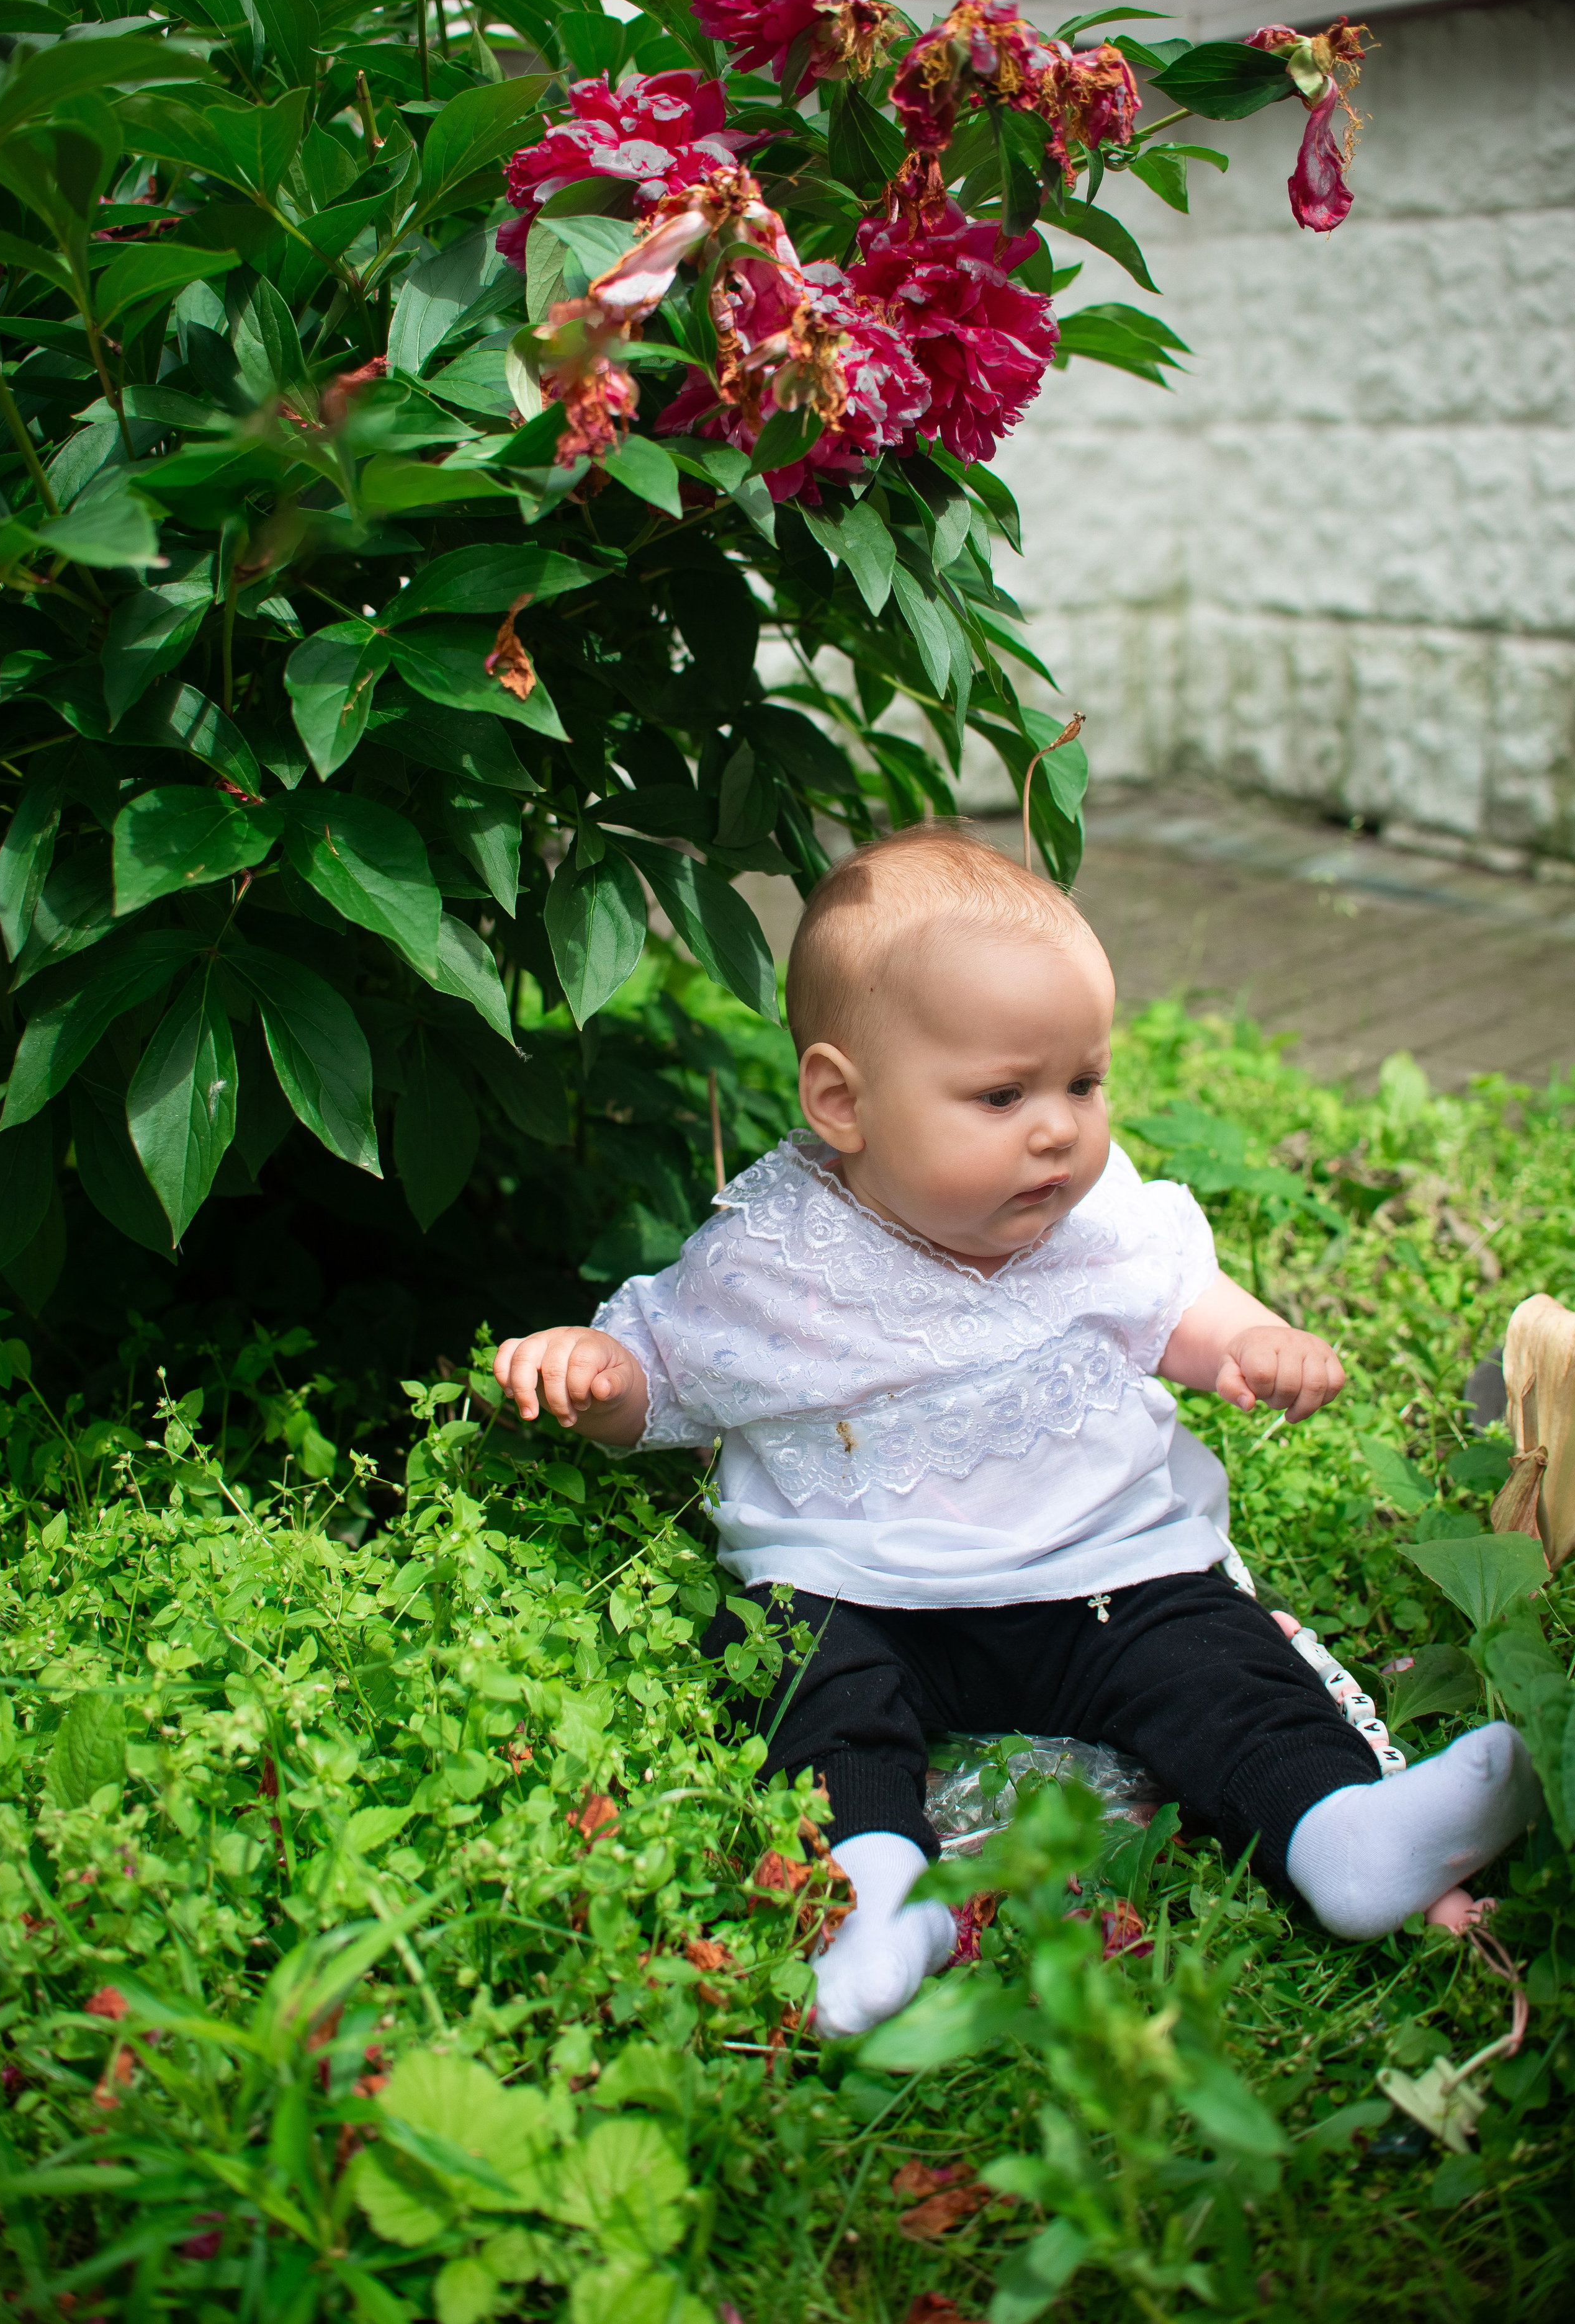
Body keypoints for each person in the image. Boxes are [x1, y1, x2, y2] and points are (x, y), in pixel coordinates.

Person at [495, 826, 1540, 2036]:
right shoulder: (776, 1254)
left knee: (1217, 1665)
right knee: (800, 1675)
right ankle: (878, 1896)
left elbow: (1174, 1302)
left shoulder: (1092, 1216)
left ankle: (1339, 1835)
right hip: (861, 1589)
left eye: (1081, 1084)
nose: (1056, 1130)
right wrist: (603, 1377)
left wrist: (1248, 1342)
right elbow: (668, 1370)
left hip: (1106, 1576)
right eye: (1002, 1096)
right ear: (842, 1100)